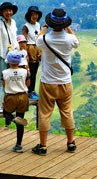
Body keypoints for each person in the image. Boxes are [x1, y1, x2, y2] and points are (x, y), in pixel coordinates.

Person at [32, 8, 79, 156]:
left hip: (47, 83)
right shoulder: (70, 39)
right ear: (65, 24)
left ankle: (43, 146)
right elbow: (76, 42)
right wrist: (68, 27)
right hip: (65, 82)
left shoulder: (44, 39)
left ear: (50, 23)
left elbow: (36, 40)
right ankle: (71, 143)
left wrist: (45, 27)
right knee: (67, 112)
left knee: (45, 113)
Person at [0, 2, 19, 114]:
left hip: (13, 55)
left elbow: (14, 38)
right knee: (1, 78)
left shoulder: (13, 22)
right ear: (2, 12)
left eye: (10, 10)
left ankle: (8, 102)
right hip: (2, 54)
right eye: (6, 10)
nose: (9, 12)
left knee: (10, 78)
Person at [2, 50, 30, 153]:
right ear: (19, 62)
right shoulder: (24, 72)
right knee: (20, 121)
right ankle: (18, 145)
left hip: (11, 96)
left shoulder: (4, 73)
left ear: (8, 61)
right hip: (23, 96)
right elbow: (28, 84)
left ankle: (14, 119)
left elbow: (4, 86)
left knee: (5, 112)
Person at [22, 6, 43, 100]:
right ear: (29, 16)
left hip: (37, 48)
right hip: (30, 49)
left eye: (36, 14)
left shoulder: (38, 25)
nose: (35, 16)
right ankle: (29, 91)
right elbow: (24, 40)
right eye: (33, 14)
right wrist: (25, 53)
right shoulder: (26, 26)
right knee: (30, 72)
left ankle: (32, 90)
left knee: (35, 71)